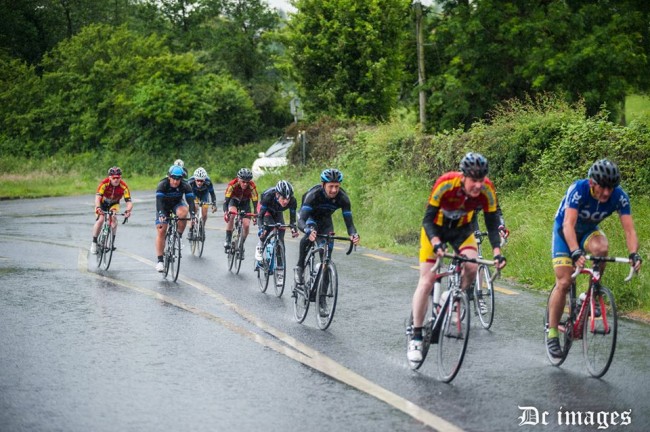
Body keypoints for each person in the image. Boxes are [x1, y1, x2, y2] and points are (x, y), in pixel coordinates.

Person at [407, 153, 507, 363]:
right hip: (435, 230)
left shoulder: (487, 189)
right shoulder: (445, 183)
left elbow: (491, 221)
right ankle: (416, 335)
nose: (478, 185)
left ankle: (452, 297)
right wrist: (435, 242)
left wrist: (497, 251)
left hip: (462, 231)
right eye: (474, 180)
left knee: (472, 265)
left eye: (481, 180)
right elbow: (427, 219)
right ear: (463, 177)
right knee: (427, 280)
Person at [546, 159, 642, 358]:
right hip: (565, 234)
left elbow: (630, 230)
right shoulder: (578, 189)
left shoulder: (619, 196)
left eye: (611, 187)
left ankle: (590, 293)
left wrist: (634, 254)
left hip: (588, 232)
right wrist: (574, 251)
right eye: (603, 187)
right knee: (564, 282)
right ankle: (553, 332)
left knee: (602, 248)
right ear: (592, 183)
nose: (607, 192)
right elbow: (568, 225)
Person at [294, 168, 360, 285]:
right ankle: (300, 267)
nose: (334, 190)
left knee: (326, 256)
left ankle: (322, 297)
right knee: (311, 232)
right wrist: (307, 230)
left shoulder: (343, 198)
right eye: (331, 186)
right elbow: (301, 220)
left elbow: (350, 225)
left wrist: (353, 234)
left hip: (325, 221)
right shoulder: (314, 195)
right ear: (323, 185)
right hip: (310, 217)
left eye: (337, 186)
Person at [154, 165, 197, 272]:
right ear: (169, 177)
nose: (176, 181)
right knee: (161, 230)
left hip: (177, 204)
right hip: (163, 207)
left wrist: (192, 215)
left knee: (183, 213)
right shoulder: (162, 184)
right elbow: (158, 202)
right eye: (173, 178)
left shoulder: (185, 185)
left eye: (178, 178)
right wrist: (161, 214)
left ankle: (178, 236)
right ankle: (160, 261)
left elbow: (191, 201)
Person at [254, 180, 299, 263]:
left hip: (277, 211)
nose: (286, 201)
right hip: (266, 210)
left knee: (281, 232)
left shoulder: (292, 201)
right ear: (277, 195)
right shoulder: (268, 196)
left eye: (288, 199)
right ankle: (260, 245)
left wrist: (294, 229)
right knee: (269, 226)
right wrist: (261, 229)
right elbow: (260, 217)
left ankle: (280, 263)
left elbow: (293, 220)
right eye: (283, 198)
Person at [90, 166, 133, 254]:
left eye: (118, 178)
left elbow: (129, 201)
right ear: (109, 177)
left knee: (113, 219)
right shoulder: (104, 183)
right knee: (101, 219)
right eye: (114, 178)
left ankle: (111, 242)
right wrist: (98, 208)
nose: (116, 180)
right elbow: (97, 198)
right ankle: (94, 243)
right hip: (102, 204)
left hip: (114, 204)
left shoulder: (123, 186)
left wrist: (128, 211)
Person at [223, 168, 259, 258]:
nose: (245, 184)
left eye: (247, 182)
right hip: (233, 201)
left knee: (246, 225)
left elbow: (255, 203)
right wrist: (225, 212)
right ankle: (228, 239)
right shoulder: (232, 184)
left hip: (245, 203)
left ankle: (241, 245)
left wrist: (255, 215)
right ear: (238, 179)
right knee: (232, 215)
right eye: (243, 181)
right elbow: (226, 202)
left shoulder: (252, 186)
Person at [188, 167, 217, 238]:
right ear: (195, 179)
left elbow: (212, 194)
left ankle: (202, 228)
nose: (199, 183)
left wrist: (214, 204)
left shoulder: (208, 182)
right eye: (197, 180)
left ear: (204, 180)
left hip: (204, 195)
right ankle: (191, 229)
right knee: (194, 207)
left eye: (201, 181)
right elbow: (187, 194)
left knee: (204, 213)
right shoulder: (190, 182)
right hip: (194, 194)